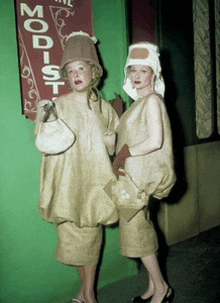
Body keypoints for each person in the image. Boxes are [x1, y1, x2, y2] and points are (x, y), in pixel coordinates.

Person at [35, 31, 119, 303]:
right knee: (74, 240)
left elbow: (114, 148)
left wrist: (111, 142)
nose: (76, 75)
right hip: (68, 185)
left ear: (94, 71)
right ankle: (85, 291)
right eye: (70, 71)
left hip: (95, 184)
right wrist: (44, 116)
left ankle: (88, 293)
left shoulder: (104, 108)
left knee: (92, 238)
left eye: (81, 68)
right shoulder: (58, 105)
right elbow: (46, 142)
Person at [112, 42, 176, 303]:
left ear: (155, 75)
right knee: (144, 227)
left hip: (138, 180)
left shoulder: (151, 100)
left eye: (143, 71)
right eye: (132, 71)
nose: (136, 76)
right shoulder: (138, 103)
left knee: (137, 231)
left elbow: (155, 141)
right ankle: (153, 286)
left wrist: (124, 153)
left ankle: (161, 288)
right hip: (132, 177)